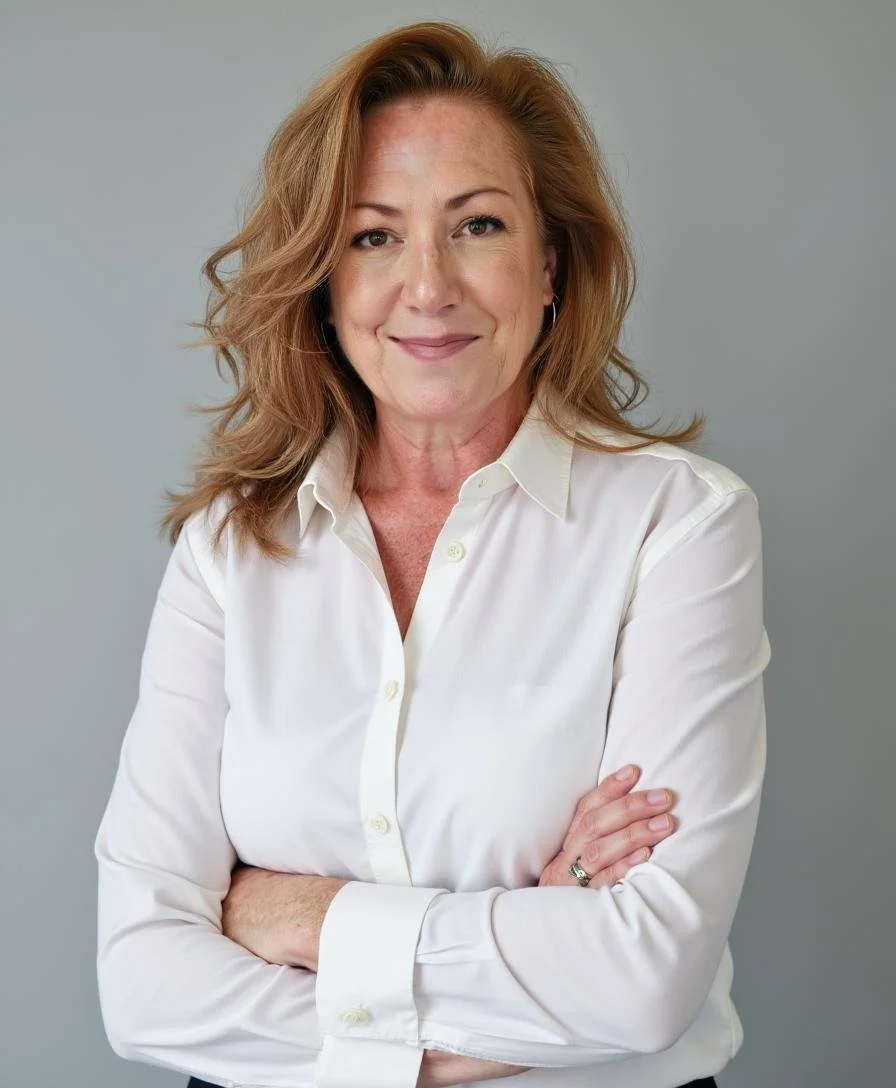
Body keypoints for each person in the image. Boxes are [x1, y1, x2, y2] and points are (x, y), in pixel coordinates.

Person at [94, 20, 770, 1088]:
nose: (426, 285)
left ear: (548, 265)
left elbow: (642, 980)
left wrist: (297, 913)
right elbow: (142, 985)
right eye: (372, 237)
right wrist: (531, 942)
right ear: (324, 282)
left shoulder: (678, 524)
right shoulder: (230, 549)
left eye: (477, 225)